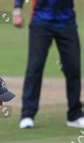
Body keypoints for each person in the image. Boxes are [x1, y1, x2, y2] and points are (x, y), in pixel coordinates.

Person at [13, 0, 83, 129]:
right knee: (35, 67)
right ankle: (27, 114)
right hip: (41, 22)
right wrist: (17, 10)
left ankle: (75, 115)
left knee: (73, 68)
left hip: (67, 23)